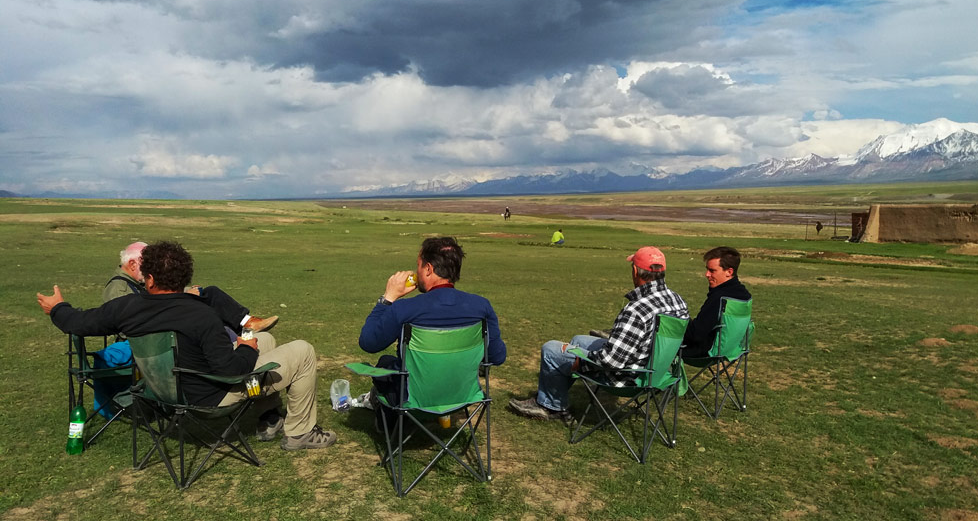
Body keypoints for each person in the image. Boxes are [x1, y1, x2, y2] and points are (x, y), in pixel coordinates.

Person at [38, 240, 336, 451]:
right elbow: (231, 370)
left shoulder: (127, 307)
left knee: (267, 340)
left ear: (150, 279)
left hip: (163, 391)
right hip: (209, 398)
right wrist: (246, 344)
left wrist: (57, 307)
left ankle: (269, 420)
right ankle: (300, 433)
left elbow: (78, 323)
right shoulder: (201, 315)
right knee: (302, 350)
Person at [508, 246, 689, 421]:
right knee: (579, 340)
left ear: (635, 271)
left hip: (629, 376)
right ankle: (552, 398)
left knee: (551, 349)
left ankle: (550, 407)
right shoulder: (677, 301)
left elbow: (611, 361)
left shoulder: (638, 308)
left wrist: (582, 362)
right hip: (655, 371)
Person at [359, 237, 506, 407]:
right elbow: (497, 356)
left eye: (419, 265)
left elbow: (368, 342)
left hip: (415, 400)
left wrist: (388, 298)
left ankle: (393, 423)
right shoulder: (482, 307)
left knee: (385, 363)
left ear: (428, 269)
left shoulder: (405, 309)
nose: (417, 271)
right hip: (462, 395)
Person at [103, 241, 278, 337]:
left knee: (210, 293)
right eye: (146, 263)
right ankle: (243, 330)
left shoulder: (136, 282)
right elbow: (125, 324)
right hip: (151, 338)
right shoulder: (118, 288)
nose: (151, 268)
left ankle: (246, 323)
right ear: (132, 263)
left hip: (159, 325)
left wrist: (186, 292)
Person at [682, 246, 752, 359]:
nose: (707, 274)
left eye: (712, 271)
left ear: (729, 272)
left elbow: (695, 335)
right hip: (732, 350)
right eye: (707, 269)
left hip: (707, 352)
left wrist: (680, 317)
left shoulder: (720, 298)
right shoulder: (745, 295)